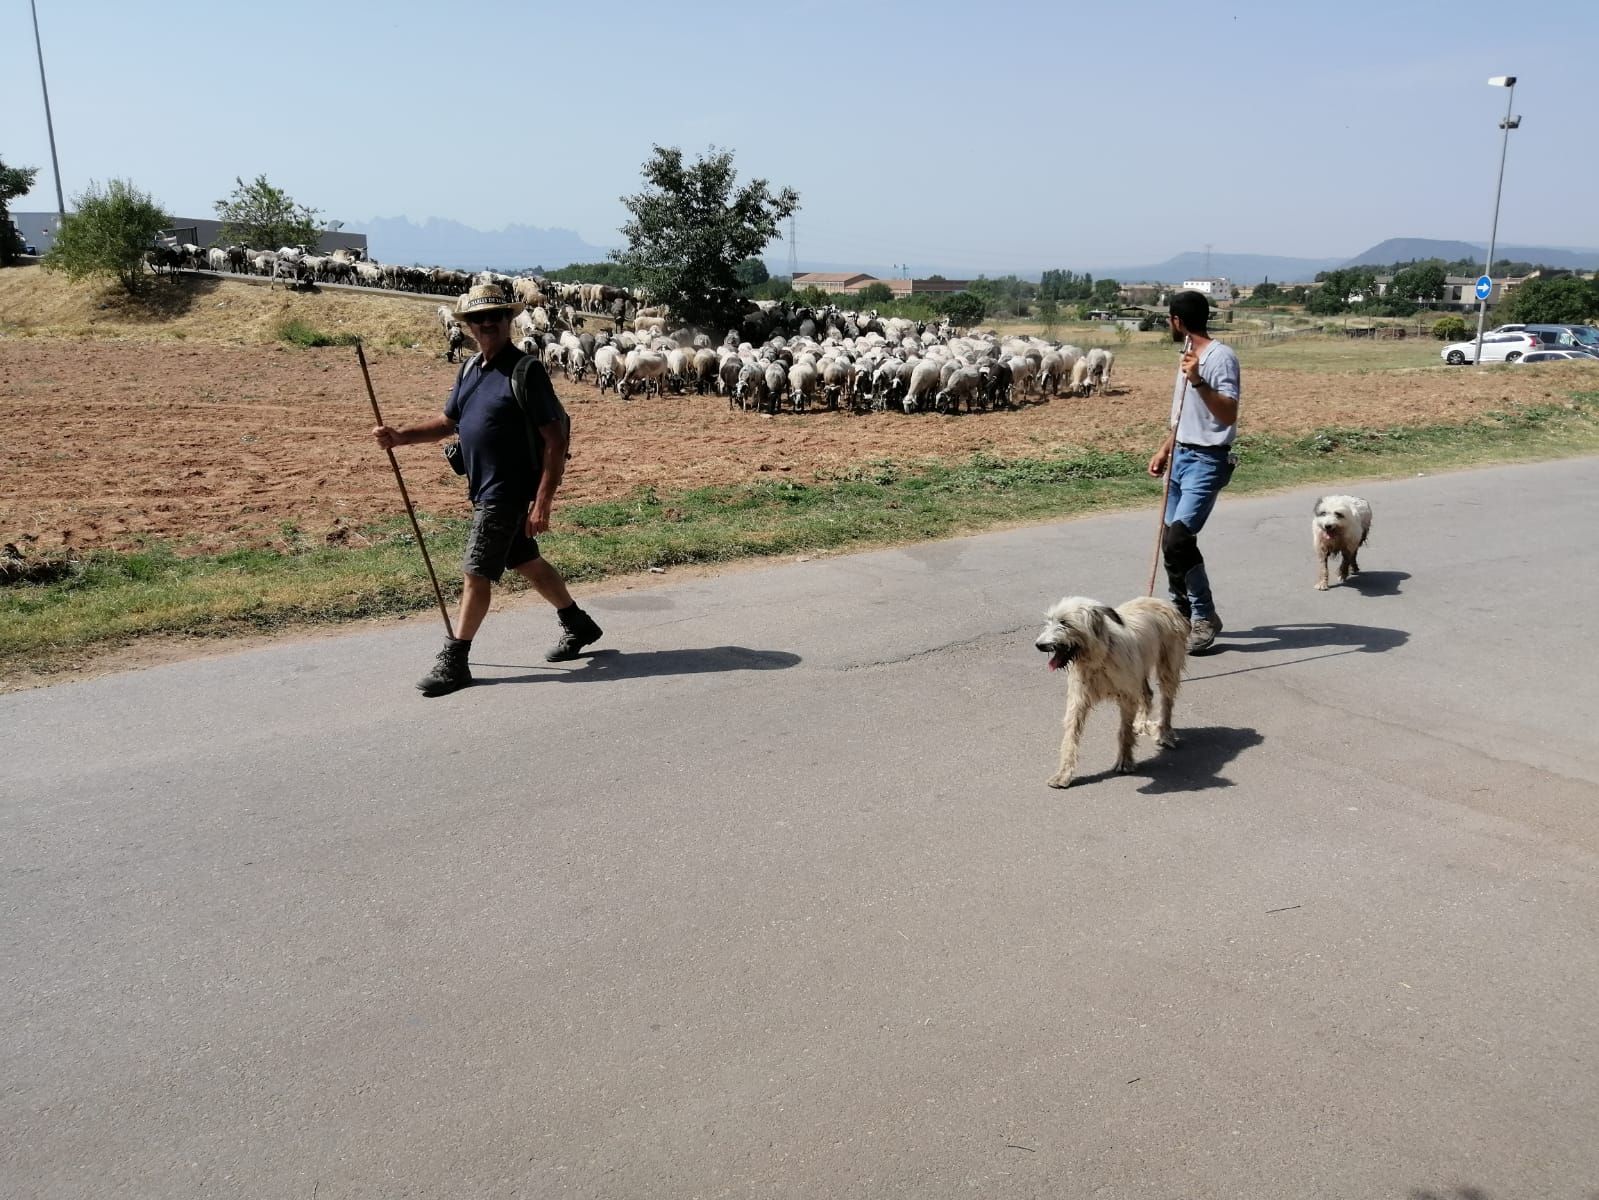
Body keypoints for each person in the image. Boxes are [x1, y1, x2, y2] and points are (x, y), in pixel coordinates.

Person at [373, 282, 603, 696]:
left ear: (509, 319)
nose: (486, 324)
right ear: (467, 325)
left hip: (508, 493)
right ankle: (579, 624)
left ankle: (456, 659)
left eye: (494, 316)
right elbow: (447, 424)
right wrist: (400, 436)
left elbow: (556, 440)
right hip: (484, 488)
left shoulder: (526, 371)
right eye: (478, 319)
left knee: (476, 572)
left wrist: (542, 501)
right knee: (525, 561)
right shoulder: (469, 369)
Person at [1146, 289, 1241, 654]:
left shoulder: (1221, 358)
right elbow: (1182, 413)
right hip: (1181, 455)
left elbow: (1228, 414)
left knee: (1179, 541)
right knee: (1172, 544)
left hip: (1207, 459)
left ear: (1176, 320)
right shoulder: (1186, 356)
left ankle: (1199, 616)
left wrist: (1199, 380)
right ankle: (1182, 616)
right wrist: (1165, 448)